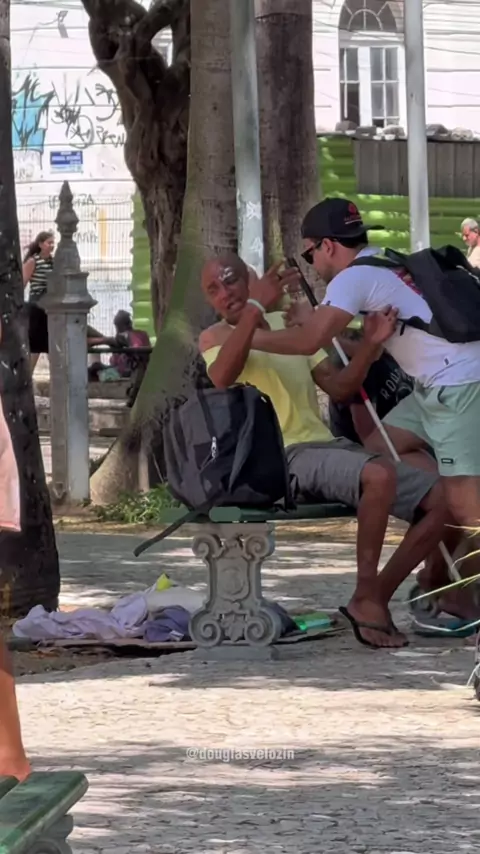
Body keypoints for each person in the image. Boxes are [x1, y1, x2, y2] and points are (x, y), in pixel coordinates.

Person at [199, 253, 451, 649]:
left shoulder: (289, 327)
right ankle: (366, 596)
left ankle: (374, 596)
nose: (224, 293)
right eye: (213, 289)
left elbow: (340, 387)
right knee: (378, 474)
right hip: (280, 459)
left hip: (325, 447)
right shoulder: (214, 336)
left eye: (231, 281)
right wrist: (255, 307)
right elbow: (221, 375)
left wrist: (370, 345)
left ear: (251, 278)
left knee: (446, 499)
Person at [242, 197, 480, 540]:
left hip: (456, 383)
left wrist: (243, 337)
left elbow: (308, 341)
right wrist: (321, 326)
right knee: (381, 444)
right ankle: (441, 493)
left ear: (327, 245)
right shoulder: (385, 260)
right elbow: (368, 342)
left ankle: (462, 541)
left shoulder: (352, 278)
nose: (313, 264)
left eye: (310, 254)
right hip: (438, 381)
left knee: (466, 510)